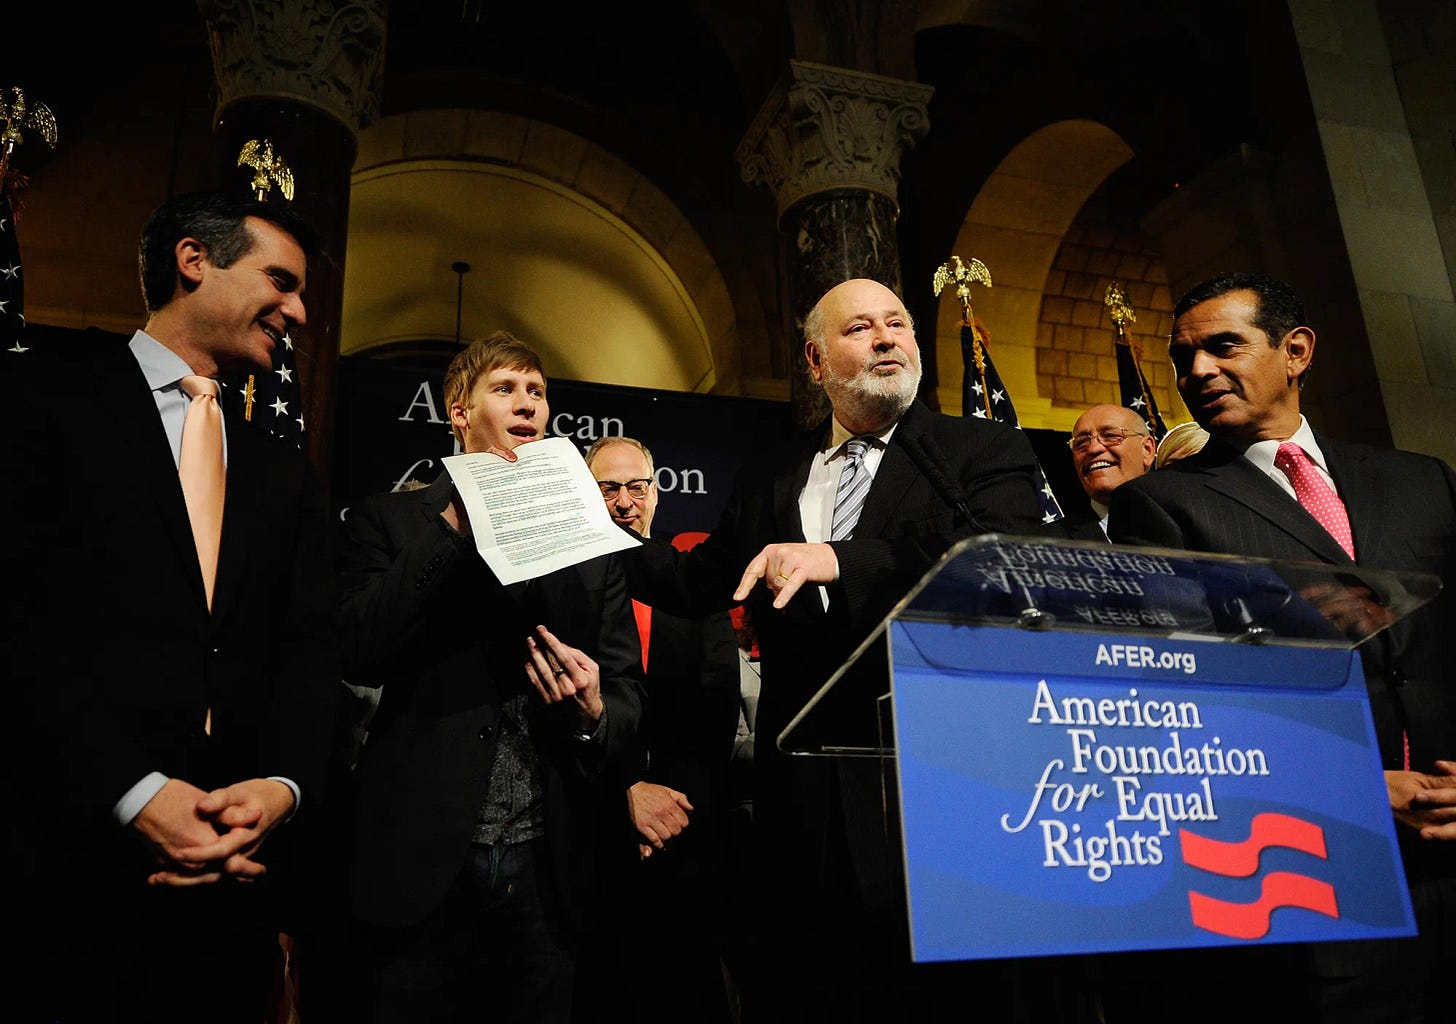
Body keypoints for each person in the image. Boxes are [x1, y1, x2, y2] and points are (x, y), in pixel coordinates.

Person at [624, 277, 1045, 1023]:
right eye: (860, 329)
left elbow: (996, 557)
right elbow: (699, 580)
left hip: (935, 786)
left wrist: (839, 559)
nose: (886, 338)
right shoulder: (774, 473)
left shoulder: (978, 448)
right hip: (804, 800)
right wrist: (599, 540)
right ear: (816, 364)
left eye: (897, 324)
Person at [0, 190, 341, 1022]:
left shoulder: (284, 471)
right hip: (62, 870)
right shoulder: (42, 401)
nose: (297, 311)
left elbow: (307, 650)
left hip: (234, 882)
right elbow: (16, 625)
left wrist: (282, 787)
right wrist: (131, 790)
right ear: (196, 261)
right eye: (281, 281)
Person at [1107, 271, 1456, 1022]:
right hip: (1321, 878)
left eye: (1223, 346)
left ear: (1295, 351)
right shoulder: (1163, 506)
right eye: (1183, 358)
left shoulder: (1422, 481)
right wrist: (1352, 788)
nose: (1197, 371)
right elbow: (1185, 704)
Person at [335, 331, 645, 1024]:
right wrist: (450, 526)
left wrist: (596, 710)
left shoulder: (592, 536)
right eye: (505, 388)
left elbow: (628, 696)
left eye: (537, 391)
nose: (527, 403)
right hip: (420, 863)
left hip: (546, 869)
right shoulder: (392, 521)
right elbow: (358, 648)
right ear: (459, 410)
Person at [576, 435, 742, 1024]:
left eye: (637, 487)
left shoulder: (690, 585)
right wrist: (624, 792)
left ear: (655, 495)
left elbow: (717, 709)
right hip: (588, 825)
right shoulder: (565, 588)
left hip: (681, 826)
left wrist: (664, 807)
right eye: (608, 487)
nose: (625, 501)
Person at [1044, 403, 1156, 540]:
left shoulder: (1185, 532)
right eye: (1081, 442)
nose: (1093, 449)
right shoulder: (1046, 543)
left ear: (1147, 450)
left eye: (1110, 436)